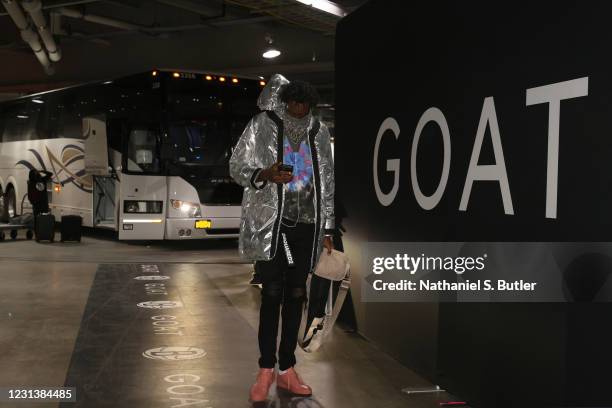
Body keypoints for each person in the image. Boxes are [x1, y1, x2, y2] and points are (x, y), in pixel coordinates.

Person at [229, 74, 335, 402]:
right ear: (285, 101)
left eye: (303, 104)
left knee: (297, 293)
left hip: (307, 226)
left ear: (310, 106)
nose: (298, 108)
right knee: (272, 293)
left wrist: (328, 226)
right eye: (292, 102)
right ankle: (265, 370)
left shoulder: (320, 131)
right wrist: (264, 174)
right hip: (275, 224)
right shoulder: (263, 124)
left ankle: (287, 369)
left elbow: (328, 179)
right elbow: (236, 166)